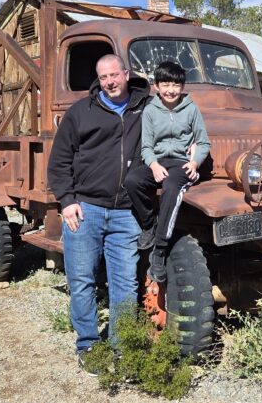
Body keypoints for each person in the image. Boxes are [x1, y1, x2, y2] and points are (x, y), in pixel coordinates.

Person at [47, 54, 150, 373]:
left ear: (126, 74)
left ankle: (121, 347)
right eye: (103, 77)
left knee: (125, 284)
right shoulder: (81, 112)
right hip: (86, 210)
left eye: (114, 75)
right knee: (82, 281)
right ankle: (88, 345)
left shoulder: (145, 108)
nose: (109, 82)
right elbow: (59, 161)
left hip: (125, 213)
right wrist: (66, 201)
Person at [123, 61, 210, 284]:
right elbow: (146, 147)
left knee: (172, 187)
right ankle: (148, 224)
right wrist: (152, 164)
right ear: (157, 86)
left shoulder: (191, 108)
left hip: (182, 163)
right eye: (165, 84)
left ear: (182, 86)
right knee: (133, 180)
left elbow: (202, 142)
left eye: (175, 84)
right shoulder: (151, 110)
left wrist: (195, 163)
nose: (170, 90)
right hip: (159, 162)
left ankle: (159, 250)